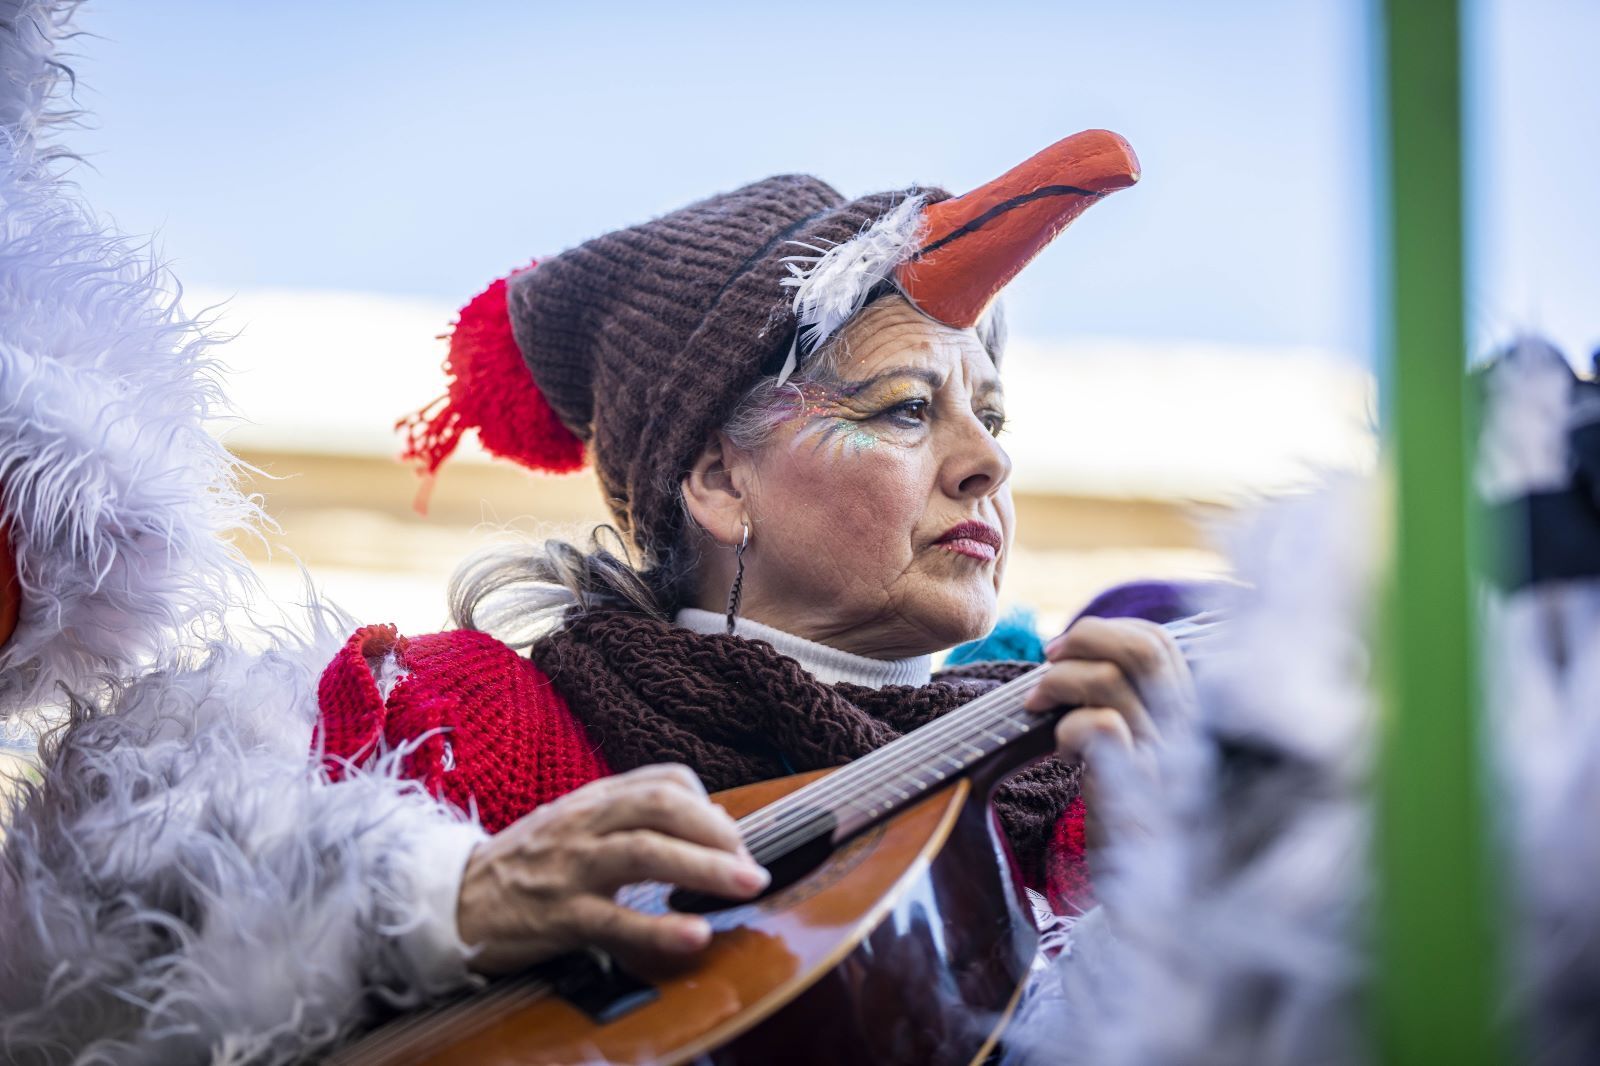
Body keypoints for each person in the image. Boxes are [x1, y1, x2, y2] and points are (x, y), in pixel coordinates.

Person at [314, 128, 1202, 986]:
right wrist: (434, 910)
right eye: (904, 408)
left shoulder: (1100, 767)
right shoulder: (458, 721)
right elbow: (191, 919)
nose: (990, 463)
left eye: (992, 418)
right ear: (719, 484)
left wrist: (1180, 879)